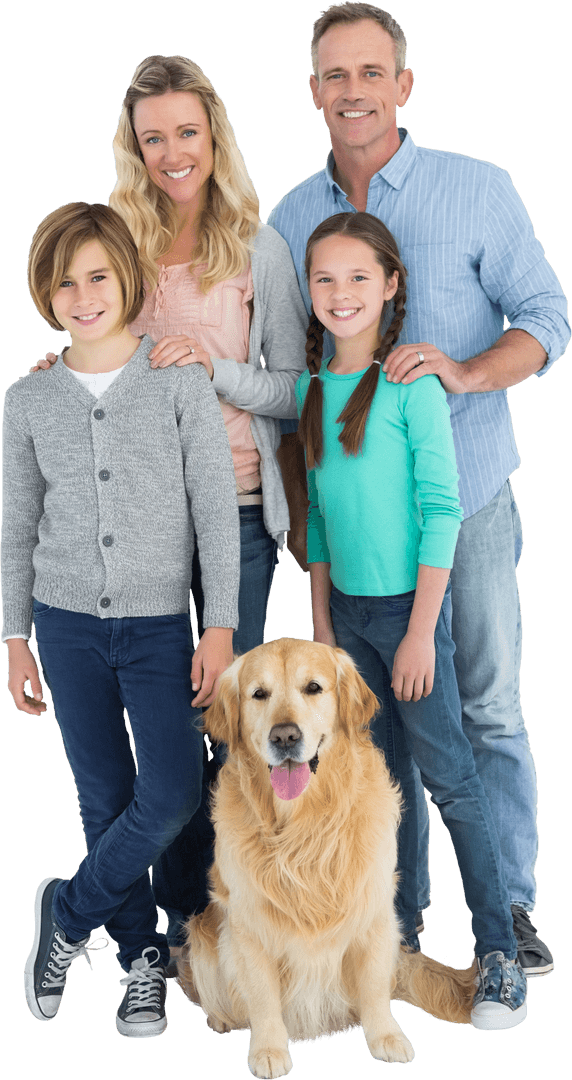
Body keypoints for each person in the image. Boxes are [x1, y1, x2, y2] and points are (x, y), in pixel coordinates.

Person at [268, 2, 570, 974]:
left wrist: (469, 374)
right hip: (351, 541)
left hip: (464, 498)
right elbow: (277, 370)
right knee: (376, 736)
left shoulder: (475, 190)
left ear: (401, 83)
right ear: (311, 90)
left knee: (479, 705)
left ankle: (508, 910)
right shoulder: (286, 220)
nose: (350, 91)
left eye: (369, 72)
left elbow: (544, 317)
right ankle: (398, 924)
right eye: (332, 75)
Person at [31, 54, 309, 965]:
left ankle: (207, 914)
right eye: (154, 139)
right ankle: (162, 926)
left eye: (187, 132)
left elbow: (291, 387)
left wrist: (207, 364)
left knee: (221, 725)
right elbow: (91, 330)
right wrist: (57, 376)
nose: (172, 152)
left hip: (232, 509)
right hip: (141, 525)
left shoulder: (260, 247)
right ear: (135, 147)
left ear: (215, 134)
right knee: (149, 744)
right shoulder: (123, 239)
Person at [2, 201, 241, 1035]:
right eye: (65, 282)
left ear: (127, 279)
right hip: (62, 625)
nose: (83, 294)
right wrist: (13, 637)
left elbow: (215, 511)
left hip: (156, 626)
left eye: (98, 275)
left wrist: (220, 626)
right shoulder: (28, 399)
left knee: (173, 794)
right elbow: (15, 521)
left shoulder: (175, 381)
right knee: (105, 798)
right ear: (46, 293)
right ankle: (140, 956)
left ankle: (65, 914)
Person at [298, 208, 527, 1030]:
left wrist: (423, 630)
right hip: (350, 624)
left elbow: (442, 511)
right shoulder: (310, 391)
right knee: (378, 787)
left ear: (392, 286)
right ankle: (399, 938)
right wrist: (323, 628)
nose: (341, 292)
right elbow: (320, 518)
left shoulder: (411, 385)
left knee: (452, 780)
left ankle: (498, 952)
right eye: (325, 278)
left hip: (410, 613)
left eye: (360, 277)